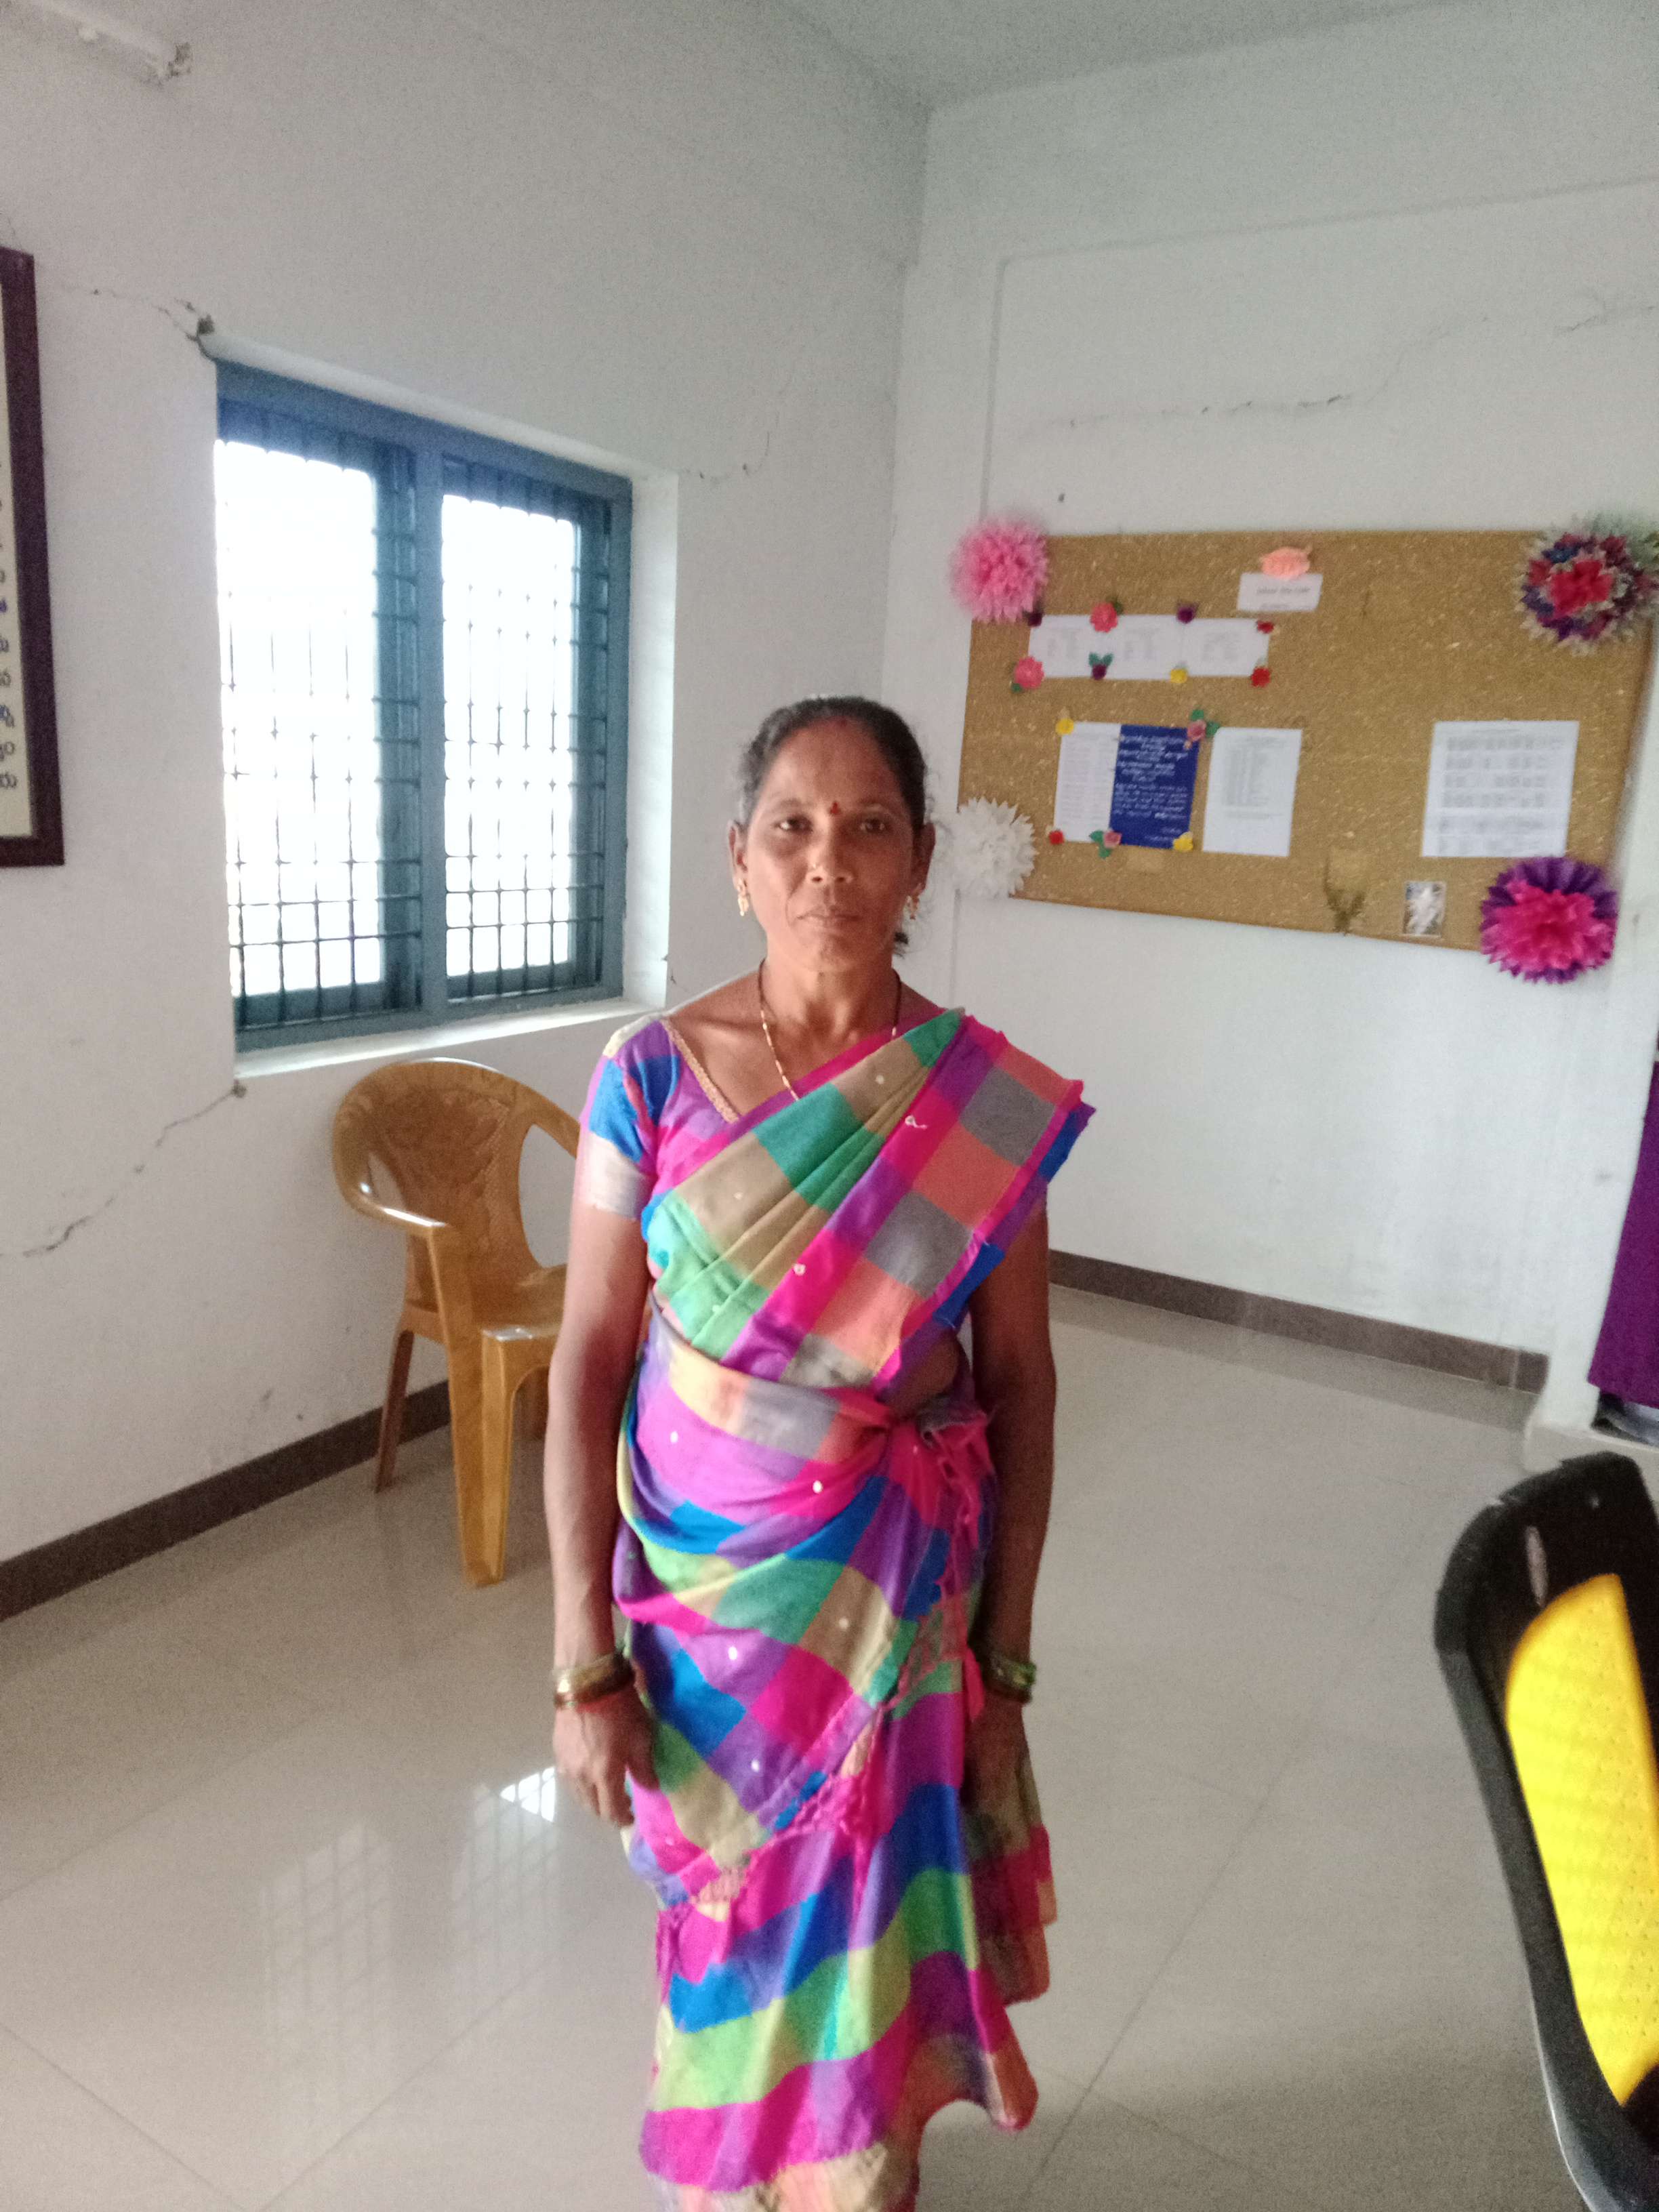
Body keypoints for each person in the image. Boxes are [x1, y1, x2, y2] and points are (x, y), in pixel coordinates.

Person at [543, 696, 1091, 2211]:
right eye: (791, 826)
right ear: (738, 858)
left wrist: (1008, 1664)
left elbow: (1023, 1385)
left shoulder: (980, 1103)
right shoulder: (647, 1078)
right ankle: (744, 2148)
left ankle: (862, 2162)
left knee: (866, 1904)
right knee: (733, 1898)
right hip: (706, 1608)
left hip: (900, 1598)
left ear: (919, 860)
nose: (827, 862)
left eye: (869, 827)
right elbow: (589, 1359)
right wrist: (583, 1660)